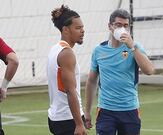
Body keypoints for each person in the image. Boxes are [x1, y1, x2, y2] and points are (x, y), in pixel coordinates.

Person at [84, 9, 154, 135]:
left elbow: (149, 70)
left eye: (126, 26)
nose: (122, 29)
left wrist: (132, 47)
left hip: (130, 109)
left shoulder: (135, 47)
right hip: (106, 110)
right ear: (110, 26)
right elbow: (91, 81)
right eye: (118, 25)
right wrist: (87, 111)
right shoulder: (99, 50)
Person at [47, 5, 87, 135]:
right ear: (65, 30)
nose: (82, 31)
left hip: (56, 117)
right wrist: (79, 124)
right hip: (68, 119)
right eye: (78, 28)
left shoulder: (55, 49)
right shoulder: (66, 54)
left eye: (82, 27)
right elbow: (70, 91)